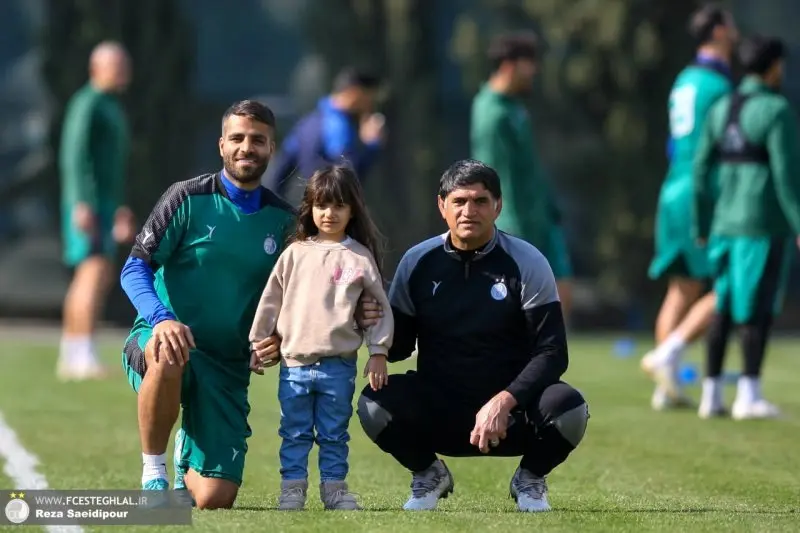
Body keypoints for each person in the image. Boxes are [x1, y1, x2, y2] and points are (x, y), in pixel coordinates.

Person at [356, 159, 589, 512]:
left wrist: (504, 401)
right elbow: (399, 347)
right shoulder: (417, 262)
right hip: (441, 411)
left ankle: (530, 478)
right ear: (442, 206)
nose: (469, 211)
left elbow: (553, 352)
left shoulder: (528, 261)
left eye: (480, 201)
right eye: (459, 201)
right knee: (374, 405)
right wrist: (371, 321)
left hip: (511, 416)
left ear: (498, 206)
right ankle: (429, 473)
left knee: (570, 409)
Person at [249, 165, 394, 511]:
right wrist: (258, 341)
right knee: (294, 432)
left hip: (338, 368)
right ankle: (292, 491)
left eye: (338, 206)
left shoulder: (359, 257)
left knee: (334, 434)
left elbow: (379, 307)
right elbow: (270, 301)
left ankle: (335, 491)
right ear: (310, 208)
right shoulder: (294, 254)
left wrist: (378, 351)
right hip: (294, 367)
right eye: (321, 205)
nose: (329, 213)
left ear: (352, 210)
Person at [692, 35, 800, 420]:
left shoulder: (720, 108)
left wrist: (702, 222)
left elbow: (700, 169)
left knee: (722, 306)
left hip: (723, 225)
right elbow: (787, 176)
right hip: (761, 225)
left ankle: (711, 394)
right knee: (757, 307)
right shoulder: (776, 110)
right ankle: (749, 395)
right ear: (774, 67)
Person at [641, 4, 738, 410]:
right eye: (730, 25)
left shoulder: (684, 80)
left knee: (681, 288)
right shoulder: (719, 85)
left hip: (673, 187)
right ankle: (668, 354)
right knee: (732, 282)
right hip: (703, 190)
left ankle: (666, 388)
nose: (736, 31)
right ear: (717, 31)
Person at [470, 31, 574, 323]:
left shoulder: (514, 106)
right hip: (515, 221)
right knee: (515, 298)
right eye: (530, 64)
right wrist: (508, 224)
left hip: (540, 216)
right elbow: (495, 174)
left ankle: (545, 349)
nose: (535, 71)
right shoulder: (491, 113)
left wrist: (549, 206)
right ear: (509, 66)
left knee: (560, 289)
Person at [58, 41, 136, 381]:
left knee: (97, 275)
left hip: (105, 205)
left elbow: (112, 167)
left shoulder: (110, 105)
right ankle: (80, 354)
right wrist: (81, 203)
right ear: (96, 68)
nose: (123, 71)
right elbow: (74, 155)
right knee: (91, 273)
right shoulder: (87, 102)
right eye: (116, 65)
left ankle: (73, 353)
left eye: (124, 64)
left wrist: (118, 207)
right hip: (89, 207)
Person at [264, 67, 386, 203]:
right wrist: (372, 145)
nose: (370, 106)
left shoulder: (308, 122)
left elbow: (280, 171)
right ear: (354, 93)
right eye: (370, 98)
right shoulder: (338, 127)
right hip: (330, 208)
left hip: (312, 207)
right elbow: (351, 176)